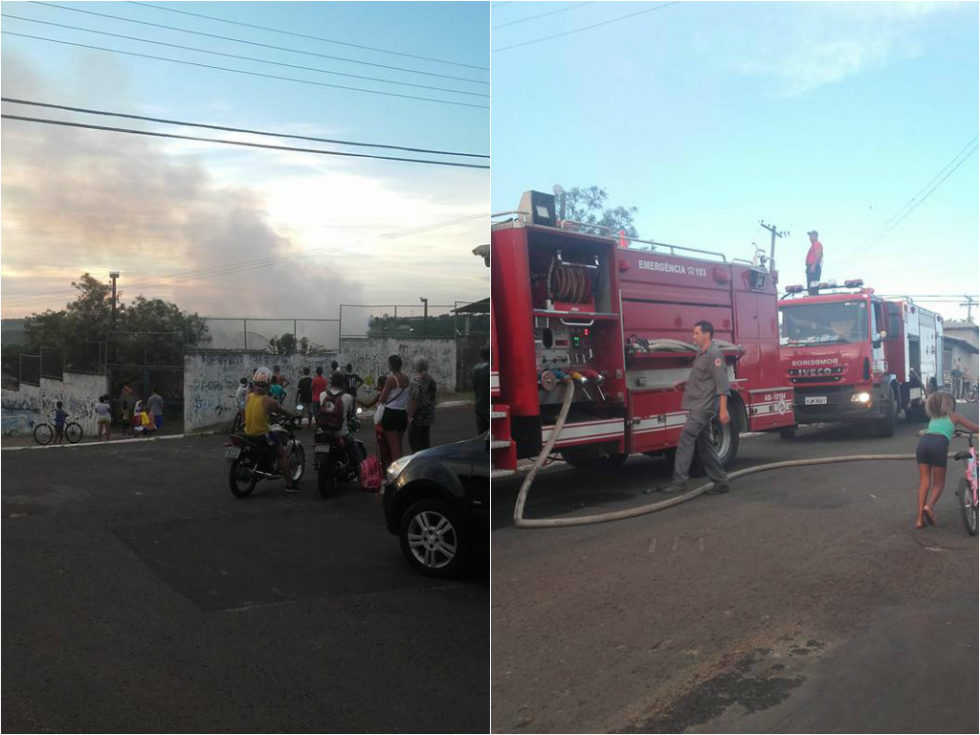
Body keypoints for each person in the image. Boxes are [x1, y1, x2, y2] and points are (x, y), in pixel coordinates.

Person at [647, 320, 731, 495]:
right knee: (705, 446)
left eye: (696, 333)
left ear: (706, 334)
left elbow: (722, 385)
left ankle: (679, 482)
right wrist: (685, 383)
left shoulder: (714, 355)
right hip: (698, 405)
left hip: (703, 407)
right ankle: (721, 482)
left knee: (686, 439)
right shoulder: (702, 354)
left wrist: (723, 410)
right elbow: (703, 379)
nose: (693, 337)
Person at [914, 390, 978, 529]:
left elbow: (939, 428)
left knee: (924, 482)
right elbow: (975, 428)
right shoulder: (954, 416)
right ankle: (929, 506)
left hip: (924, 443)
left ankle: (919, 520)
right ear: (950, 404)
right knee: (939, 483)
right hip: (938, 444)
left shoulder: (933, 418)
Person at [244, 366, 302, 493]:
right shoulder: (270, 401)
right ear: (268, 385)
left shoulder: (248, 397)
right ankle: (289, 484)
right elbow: (284, 412)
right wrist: (294, 416)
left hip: (247, 434)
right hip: (262, 435)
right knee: (282, 453)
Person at [320, 372, 363, 480]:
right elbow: (351, 414)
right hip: (340, 433)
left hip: (323, 431)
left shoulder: (322, 395)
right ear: (343, 383)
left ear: (331, 382)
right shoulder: (347, 397)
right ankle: (361, 474)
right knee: (355, 454)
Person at [377, 355, 410, 469]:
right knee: (399, 446)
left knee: (394, 449)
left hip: (391, 414)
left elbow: (382, 399)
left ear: (391, 365)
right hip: (402, 414)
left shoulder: (391, 379)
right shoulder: (406, 378)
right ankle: (400, 472)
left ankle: (397, 475)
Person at [408, 356, 437, 452]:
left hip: (418, 417)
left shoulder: (417, 380)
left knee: (415, 444)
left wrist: (410, 416)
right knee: (425, 442)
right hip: (428, 416)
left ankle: (419, 465)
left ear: (416, 366)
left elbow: (415, 400)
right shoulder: (431, 379)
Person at [472, 347, 491, 434]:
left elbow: (474, 385)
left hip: (479, 402)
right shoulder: (489, 368)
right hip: (487, 403)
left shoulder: (475, 368)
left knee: (481, 430)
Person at [805, 230, 823, 295]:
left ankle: (813, 297)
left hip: (814, 268)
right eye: (810, 236)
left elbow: (818, 254)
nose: (810, 237)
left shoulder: (817, 244)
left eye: (811, 236)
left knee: (813, 287)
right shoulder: (813, 245)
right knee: (810, 287)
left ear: (815, 236)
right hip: (811, 267)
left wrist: (814, 265)